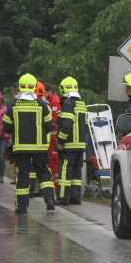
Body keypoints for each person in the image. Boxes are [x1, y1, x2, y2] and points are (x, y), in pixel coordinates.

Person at [2, 73, 56, 214]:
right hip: (40, 147)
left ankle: (22, 207)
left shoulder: (13, 103)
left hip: (21, 148)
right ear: (34, 87)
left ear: (20, 86)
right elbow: (50, 125)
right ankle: (49, 199)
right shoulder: (42, 104)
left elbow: (6, 127)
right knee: (44, 172)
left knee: (23, 176)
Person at [55, 76, 88, 206]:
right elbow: (85, 125)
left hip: (69, 145)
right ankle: (75, 197)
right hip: (80, 144)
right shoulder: (81, 103)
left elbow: (67, 124)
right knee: (76, 171)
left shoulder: (68, 103)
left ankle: (63, 197)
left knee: (65, 170)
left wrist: (60, 140)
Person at [44, 82, 61, 190]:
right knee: (49, 164)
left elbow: (55, 120)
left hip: (53, 139)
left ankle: (56, 187)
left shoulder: (55, 102)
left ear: (49, 91)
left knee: (53, 164)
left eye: (44, 92)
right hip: (50, 140)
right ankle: (51, 187)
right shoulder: (50, 102)